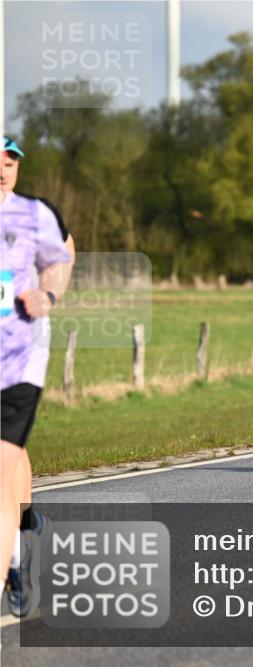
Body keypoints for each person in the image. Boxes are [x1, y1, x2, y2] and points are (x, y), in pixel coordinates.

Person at [1, 136, 74, 617]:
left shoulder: (34, 214)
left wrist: (47, 295)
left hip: (18, 359)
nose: (4, 168)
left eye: (10, 160)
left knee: (4, 460)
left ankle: (13, 559)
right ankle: (22, 538)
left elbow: (62, 255)